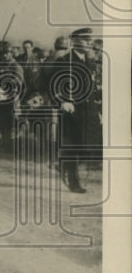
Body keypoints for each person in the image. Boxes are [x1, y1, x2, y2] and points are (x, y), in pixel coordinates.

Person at [43, 28, 96, 193]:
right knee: (72, 145)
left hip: (86, 110)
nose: (89, 42)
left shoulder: (88, 61)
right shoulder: (65, 60)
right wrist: (63, 101)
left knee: (82, 144)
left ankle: (63, 166)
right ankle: (73, 182)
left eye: (90, 39)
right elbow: (53, 85)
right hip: (71, 110)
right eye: (85, 39)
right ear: (74, 41)